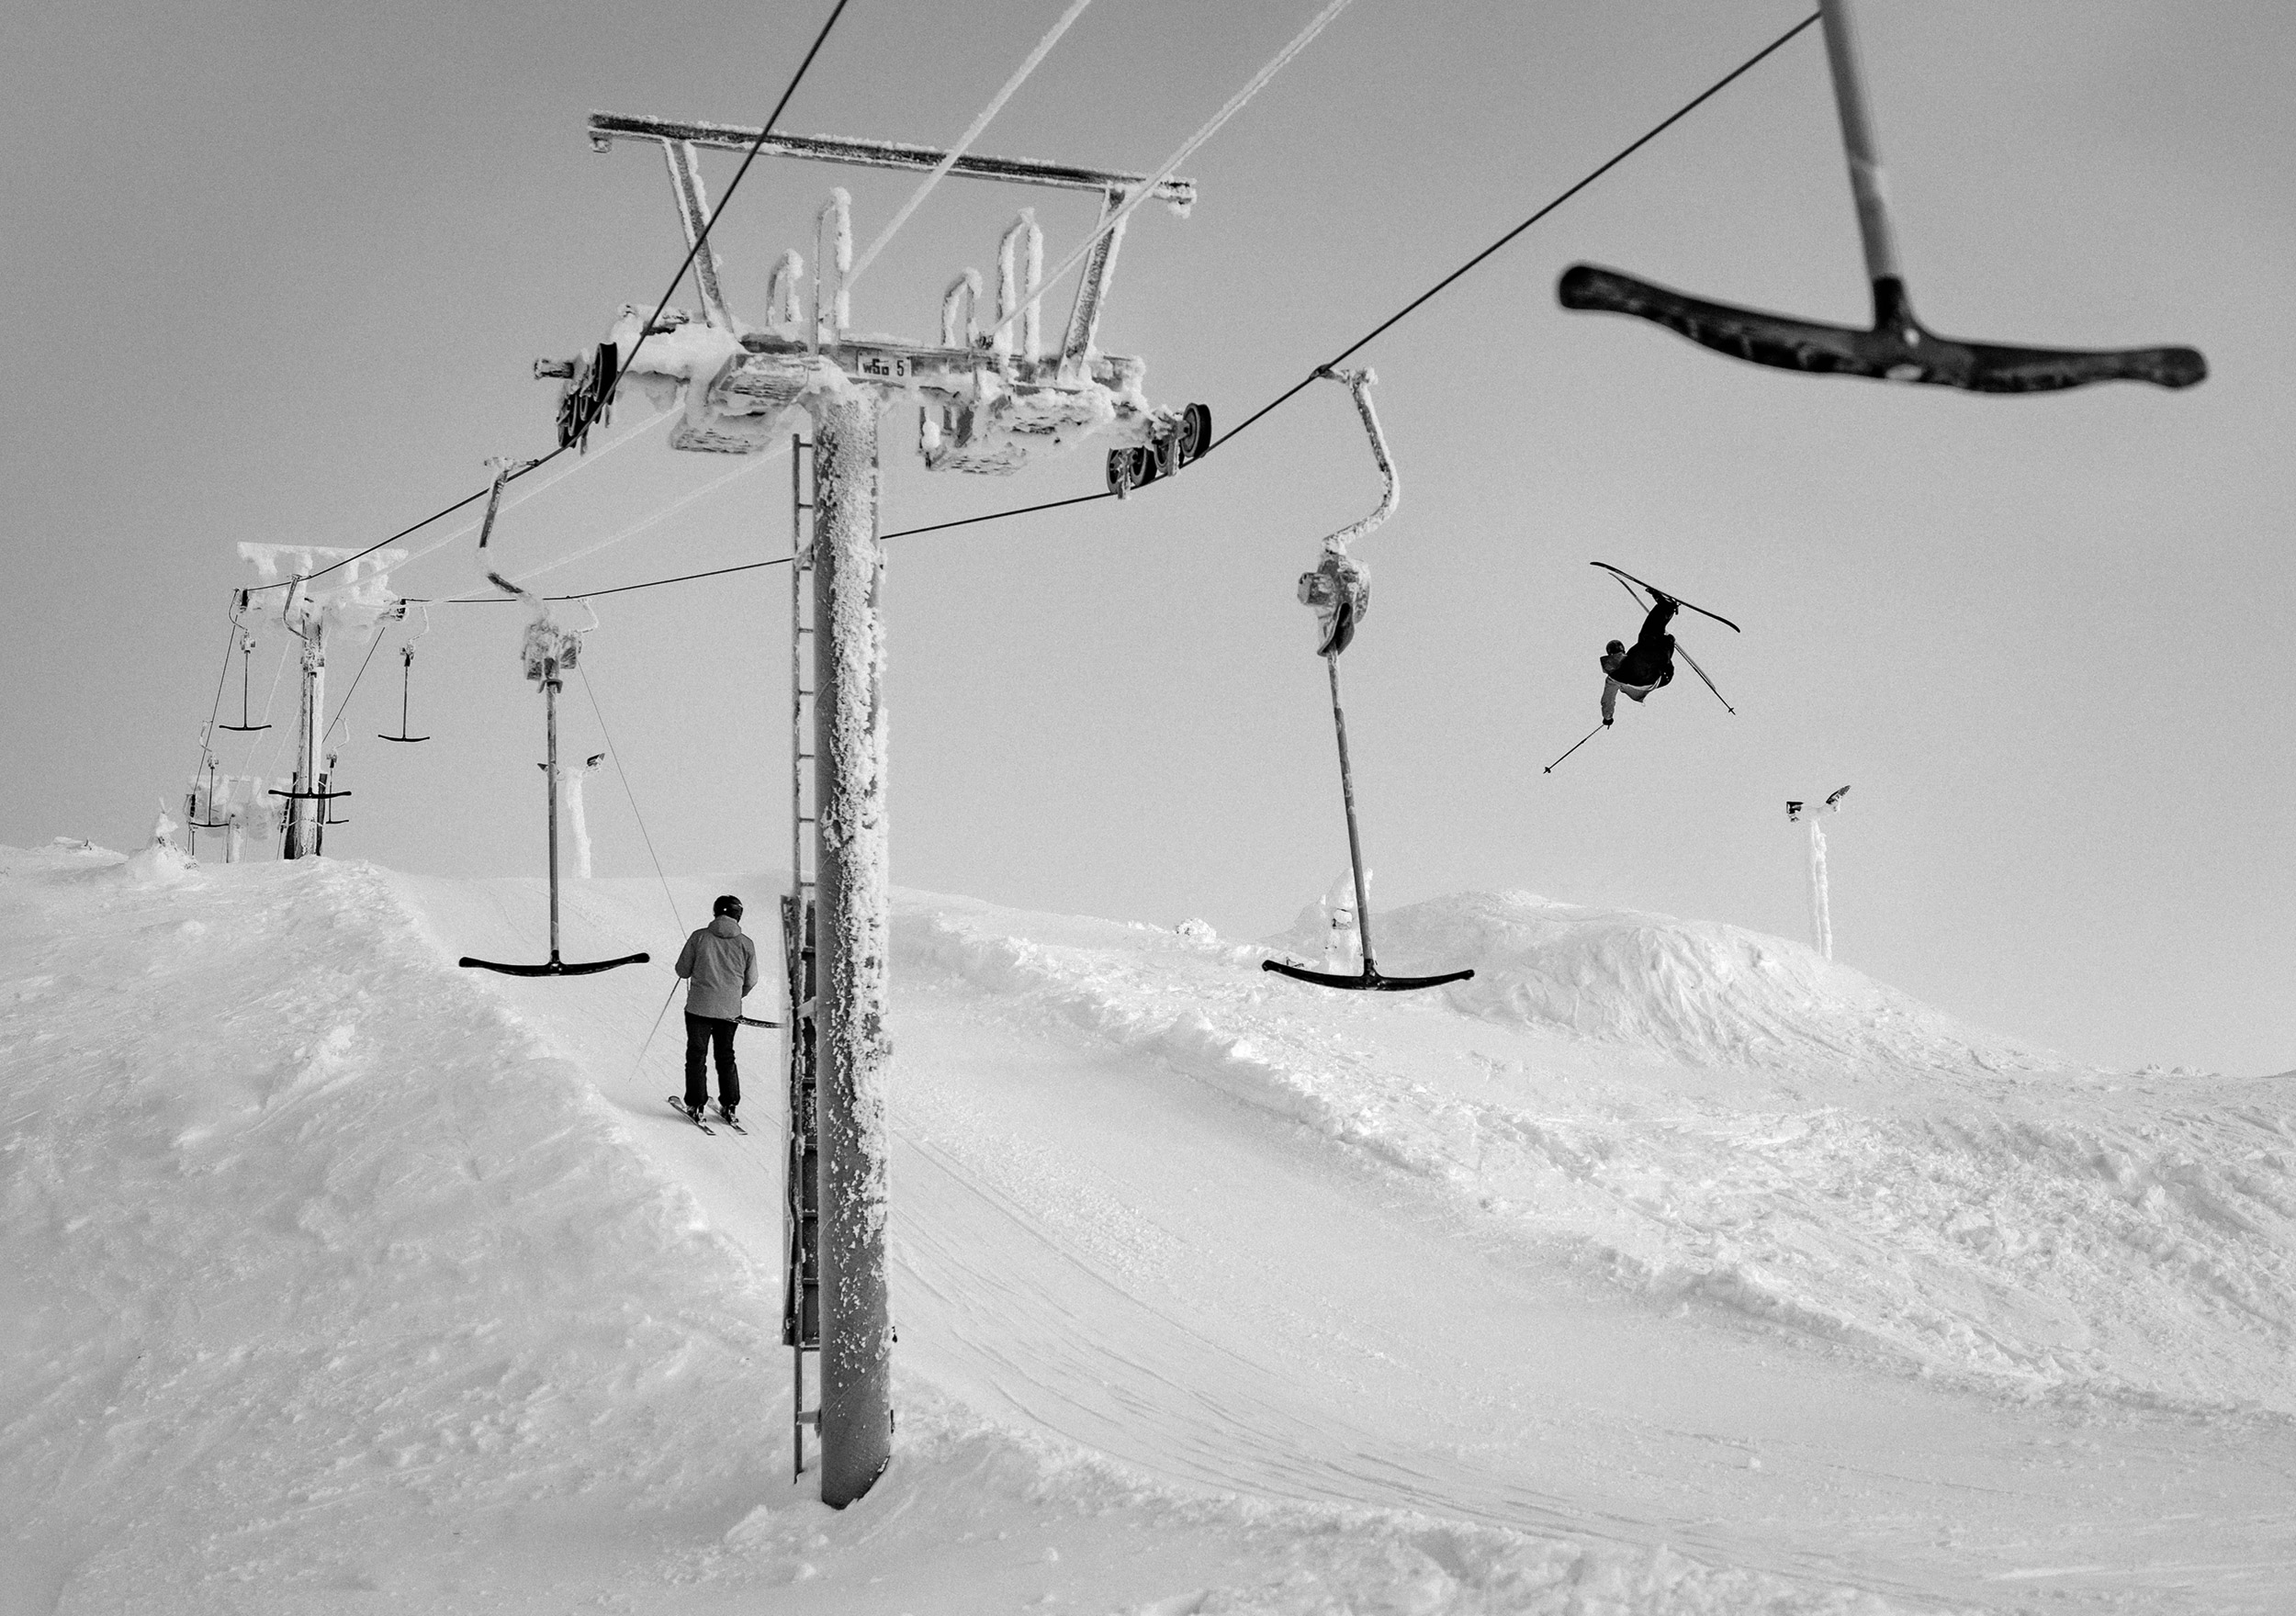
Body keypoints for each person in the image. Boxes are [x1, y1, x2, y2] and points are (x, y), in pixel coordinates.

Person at [675, 894, 759, 1125]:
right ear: (738, 915)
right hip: (730, 1011)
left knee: (696, 1055)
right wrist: (734, 996)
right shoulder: (746, 943)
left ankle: (696, 1103)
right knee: (726, 1055)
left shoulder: (699, 937)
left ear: (715, 912)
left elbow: (682, 970)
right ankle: (730, 1104)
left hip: (698, 1008)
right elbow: (751, 980)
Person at [1600, 594, 1678, 725]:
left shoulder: (1615, 674)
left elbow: (1608, 699)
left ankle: (1666, 611)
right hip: (1656, 674)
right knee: (1647, 638)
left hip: (1660, 675)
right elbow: (1608, 698)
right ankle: (1666, 610)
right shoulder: (1621, 668)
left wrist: (1607, 717)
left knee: (1647, 640)